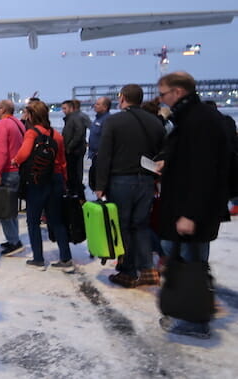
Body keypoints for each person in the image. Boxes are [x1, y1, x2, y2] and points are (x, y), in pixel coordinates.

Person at [155, 72, 232, 338]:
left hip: (193, 210)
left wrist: (190, 214)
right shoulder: (194, 117)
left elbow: (204, 171)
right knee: (187, 262)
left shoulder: (199, 120)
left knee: (193, 267)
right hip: (189, 207)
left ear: (177, 92)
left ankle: (195, 320)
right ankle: (188, 314)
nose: (161, 99)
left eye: (163, 94)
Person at [94, 84, 165, 288]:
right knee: (141, 225)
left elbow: (105, 154)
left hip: (120, 179)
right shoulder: (155, 122)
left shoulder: (114, 121)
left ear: (123, 98)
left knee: (122, 225)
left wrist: (100, 185)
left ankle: (127, 271)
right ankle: (148, 269)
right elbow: (163, 151)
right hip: (146, 179)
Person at [12, 100, 71, 270]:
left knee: (33, 221)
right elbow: (63, 161)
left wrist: (15, 160)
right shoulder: (57, 135)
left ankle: (38, 259)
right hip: (56, 179)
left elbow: (23, 154)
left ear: (31, 115)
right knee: (57, 221)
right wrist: (64, 180)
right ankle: (66, 259)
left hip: (38, 181)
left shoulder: (32, 133)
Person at [0, 100, 26, 256]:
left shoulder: (2, 125)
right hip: (17, 169)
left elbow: (1, 151)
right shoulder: (17, 123)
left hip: (7, 171)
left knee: (4, 209)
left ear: (4, 109)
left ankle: (14, 242)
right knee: (11, 209)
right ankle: (14, 237)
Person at [61, 99, 89, 199]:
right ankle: (75, 194)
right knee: (74, 174)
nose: (63, 111)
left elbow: (79, 132)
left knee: (74, 175)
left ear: (71, 108)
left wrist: (70, 146)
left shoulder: (75, 118)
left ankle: (77, 196)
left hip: (74, 151)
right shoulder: (70, 118)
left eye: (65, 108)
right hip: (73, 150)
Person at [87, 97, 111, 191]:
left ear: (105, 107)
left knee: (99, 182)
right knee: (93, 179)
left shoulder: (107, 120)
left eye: (97, 104)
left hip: (101, 157)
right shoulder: (97, 119)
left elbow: (107, 139)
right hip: (94, 156)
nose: (94, 106)